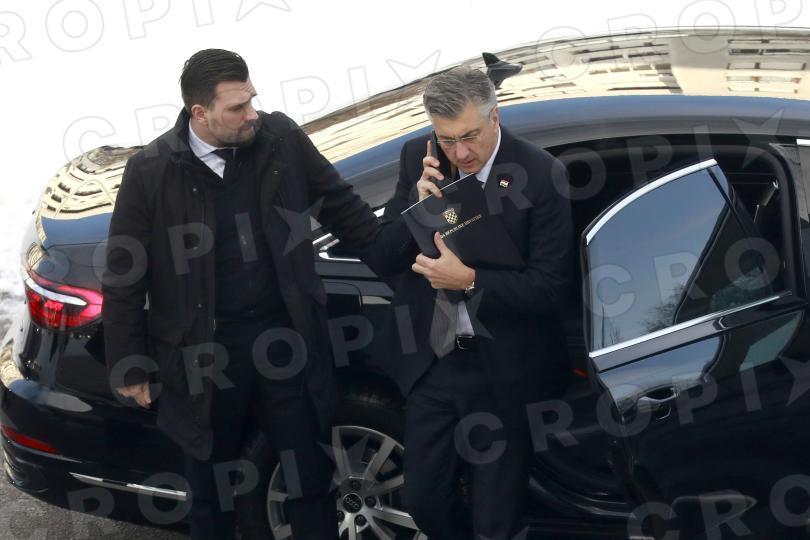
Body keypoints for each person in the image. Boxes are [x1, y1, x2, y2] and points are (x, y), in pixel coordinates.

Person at [101, 49, 379, 540]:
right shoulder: (152, 171)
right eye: (237, 107)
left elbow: (344, 209)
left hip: (286, 340)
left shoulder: (280, 139)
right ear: (200, 113)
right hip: (204, 355)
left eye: (252, 99)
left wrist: (405, 262)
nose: (252, 114)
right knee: (211, 495)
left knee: (309, 479)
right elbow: (125, 272)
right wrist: (129, 363)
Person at [371, 66, 574, 538]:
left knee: (495, 520)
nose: (460, 153)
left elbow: (549, 289)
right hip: (435, 362)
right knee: (424, 501)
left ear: (494, 117)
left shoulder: (541, 174)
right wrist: (415, 209)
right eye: (446, 140)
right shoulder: (417, 158)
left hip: (504, 369)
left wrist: (469, 281)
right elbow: (382, 255)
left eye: (469, 137)